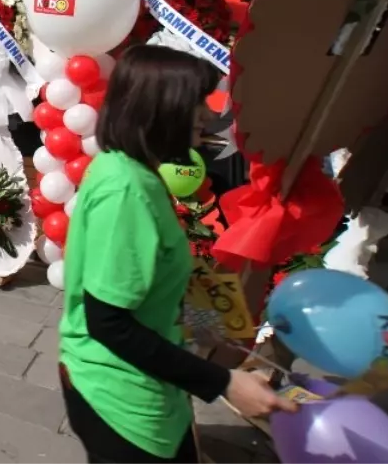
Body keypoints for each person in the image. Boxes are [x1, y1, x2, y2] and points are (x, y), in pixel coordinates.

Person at [59, 45, 296, 463]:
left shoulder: (131, 171)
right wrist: (224, 383)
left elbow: (147, 283)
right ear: (160, 108)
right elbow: (109, 323)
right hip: (121, 396)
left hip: (145, 387)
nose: (206, 114)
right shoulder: (126, 190)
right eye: (196, 102)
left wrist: (206, 321)